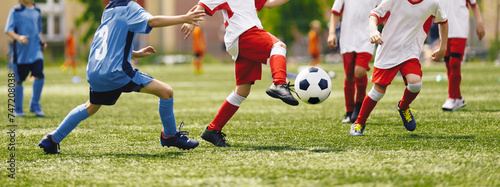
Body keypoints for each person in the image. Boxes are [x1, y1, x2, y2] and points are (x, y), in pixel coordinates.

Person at [38, 0, 206, 154]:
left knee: (91, 106)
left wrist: (134, 53)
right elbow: (152, 21)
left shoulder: (109, 9)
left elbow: (109, 43)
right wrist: (185, 17)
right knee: (166, 92)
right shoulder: (129, 7)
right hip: (116, 71)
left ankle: (52, 139)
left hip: (95, 70)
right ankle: (170, 136)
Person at [181, 0, 296, 147]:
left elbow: (269, 3)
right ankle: (279, 83)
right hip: (244, 35)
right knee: (278, 46)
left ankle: (213, 130)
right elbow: (203, 4)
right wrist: (191, 21)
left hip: (242, 39)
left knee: (242, 91)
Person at [350, 0, 449, 136]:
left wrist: (443, 47)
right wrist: (373, 30)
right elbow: (374, 14)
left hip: (410, 51)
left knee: (415, 84)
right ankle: (359, 123)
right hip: (388, 50)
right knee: (378, 91)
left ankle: (403, 106)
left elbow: (443, 20)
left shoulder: (432, 3)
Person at [327, 0, 381, 124]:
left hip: (368, 37)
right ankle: (349, 111)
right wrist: (331, 33)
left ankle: (359, 106)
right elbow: (335, 12)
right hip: (348, 38)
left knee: (360, 71)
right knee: (349, 75)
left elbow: (383, 11)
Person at [439, 0, 484, 111]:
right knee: (448, 65)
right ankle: (458, 98)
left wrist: (479, 22)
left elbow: (474, 5)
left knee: (454, 63)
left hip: (460, 30)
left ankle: (451, 97)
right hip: (444, 30)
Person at [5, 0, 47, 117]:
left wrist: (42, 42)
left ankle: (34, 104)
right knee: (18, 81)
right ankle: (18, 109)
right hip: (21, 54)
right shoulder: (15, 11)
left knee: (40, 75)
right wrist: (19, 38)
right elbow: (8, 30)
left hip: (36, 51)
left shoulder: (37, 10)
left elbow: (39, 30)